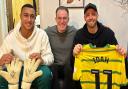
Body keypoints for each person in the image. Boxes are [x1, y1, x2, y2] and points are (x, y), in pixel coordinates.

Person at [72, 3, 126, 89]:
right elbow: (74, 61)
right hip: (88, 82)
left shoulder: (108, 33)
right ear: (84, 18)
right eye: (87, 15)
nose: (90, 17)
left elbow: (118, 55)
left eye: (93, 14)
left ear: (97, 16)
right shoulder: (79, 35)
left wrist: (122, 53)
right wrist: (74, 53)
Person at [0, 4, 54, 89]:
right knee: (2, 76)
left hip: (35, 70)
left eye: (32, 16)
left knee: (46, 74)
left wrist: (42, 59)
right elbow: (1, 55)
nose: (29, 20)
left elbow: (50, 57)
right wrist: (1, 59)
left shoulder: (42, 35)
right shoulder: (11, 36)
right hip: (17, 72)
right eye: (26, 15)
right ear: (20, 16)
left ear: (35, 18)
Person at [45, 6, 77, 89]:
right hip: (54, 66)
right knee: (53, 68)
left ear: (68, 19)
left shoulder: (74, 32)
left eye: (64, 18)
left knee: (69, 67)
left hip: (68, 66)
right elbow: (36, 34)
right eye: (59, 18)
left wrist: (100, 26)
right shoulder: (48, 32)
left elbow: (85, 32)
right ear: (55, 19)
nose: (62, 21)